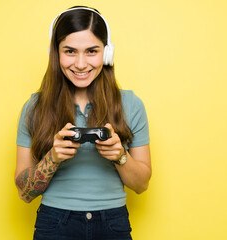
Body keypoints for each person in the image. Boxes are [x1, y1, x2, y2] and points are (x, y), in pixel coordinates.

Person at [14, 6, 151, 240]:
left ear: (107, 54)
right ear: (55, 54)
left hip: (113, 223)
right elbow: (24, 193)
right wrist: (53, 157)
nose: (80, 64)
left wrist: (120, 155)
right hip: (54, 223)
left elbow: (142, 185)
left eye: (91, 51)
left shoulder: (130, 104)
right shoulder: (34, 107)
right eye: (69, 51)